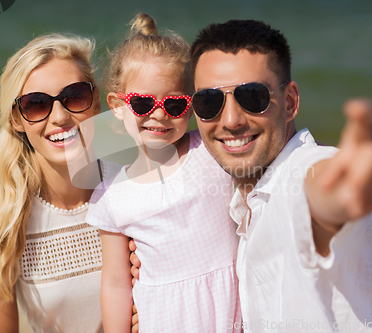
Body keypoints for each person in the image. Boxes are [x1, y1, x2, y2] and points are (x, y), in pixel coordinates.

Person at [131, 19, 372, 332]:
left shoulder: (302, 178)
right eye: (209, 102)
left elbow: (315, 196)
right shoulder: (246, 203)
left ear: (289, 102)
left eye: (252, 97)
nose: (231, 120)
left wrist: (339, 196)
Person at [86, 14, 242, 333]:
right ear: (117, 105)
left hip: (235, 312)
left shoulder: (213, 152)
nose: (159, 114)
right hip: (164, 320)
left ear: (194, 104)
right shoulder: (112, 195)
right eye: (142, 103)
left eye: (175, 104)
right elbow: (116, 284)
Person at [0, 34, 121, 332]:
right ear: (17, 120)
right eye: (36, 104)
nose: (59, 116)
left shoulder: (133, 184)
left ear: (96, 101)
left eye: (74, 96)